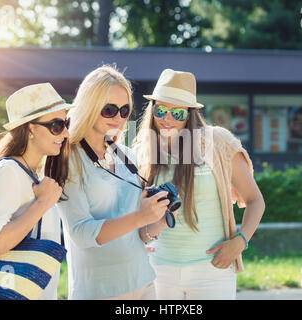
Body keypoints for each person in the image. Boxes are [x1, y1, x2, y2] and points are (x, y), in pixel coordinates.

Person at [133, 69, 266, 300]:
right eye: (161, 110)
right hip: (158, 270)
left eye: (178, 112)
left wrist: (240, 241)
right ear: (152, 109)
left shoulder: (218, 143)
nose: (167, 118)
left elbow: (256, 201)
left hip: (213, 270)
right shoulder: (142, 152)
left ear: (190, 114)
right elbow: (138, 218)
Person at [57, 65, 170, 300]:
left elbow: (138, 234)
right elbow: (80, 233)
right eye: (109, 110)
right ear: (89, 107)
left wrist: (157, 221)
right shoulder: (67, 159)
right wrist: (140, 217)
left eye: (124, 110)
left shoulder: (126, 155)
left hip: (144, 281)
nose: (118, 117)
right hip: (100, 290)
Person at [0, 83, 73, 300]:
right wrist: (41, 204)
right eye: (57, 125)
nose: (66, 133)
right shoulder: (9, 171)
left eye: (66, 123)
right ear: (30, 129)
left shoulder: (32, 175)